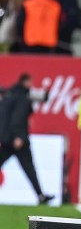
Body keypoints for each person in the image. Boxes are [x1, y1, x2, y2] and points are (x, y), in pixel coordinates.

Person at [0, 73, 54, 205]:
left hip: (6, 139)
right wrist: (19, 136)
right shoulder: (24, 96)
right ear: (27, 82)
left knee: (29, 168)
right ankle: (40, 195)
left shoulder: (9, 95)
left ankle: (41, 195)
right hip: (18, 141)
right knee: (29, 168)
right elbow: (18, 118)